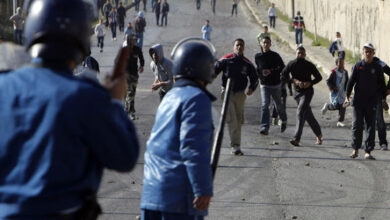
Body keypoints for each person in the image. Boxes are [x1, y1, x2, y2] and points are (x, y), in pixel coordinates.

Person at [0, 0, 139, 219]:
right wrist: (113, 102)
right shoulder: (87, 96)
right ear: (82, 38)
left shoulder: (4, 85)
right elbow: (125, 156)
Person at [141, 41, 215, 220]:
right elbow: (193, 147)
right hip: (178, 199)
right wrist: (202, 189)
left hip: (152, 194)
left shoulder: (170, 97)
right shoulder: (197, 98)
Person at [215, 38, 259, 155]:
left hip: (240, 95)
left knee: (239, 120)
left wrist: (251, 88)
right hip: (227, 93)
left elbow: (255, 78)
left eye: (241, 45)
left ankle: (236, 144)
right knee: (232, 119)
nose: (239, 47)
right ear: (234, 47)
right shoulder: (226, 59)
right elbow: (213, 71)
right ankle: (236, 146)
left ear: (244, 48)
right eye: (237, 45)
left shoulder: (247, 63)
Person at [347, 43, 386, 160]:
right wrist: (347, 96)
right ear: (363, 53)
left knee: (370, 126)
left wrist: (383, 98)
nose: (368, 53)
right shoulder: (358, 66)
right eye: (366, 51)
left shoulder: (378, 68)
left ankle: (368, 151)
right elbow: (351, 82)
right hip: (358, 101)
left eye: (370, 51)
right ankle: (355, 149)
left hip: (371, 102)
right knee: (356, 125)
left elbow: (382, 85)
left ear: (374, 53)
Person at [281, 45, 323, 146]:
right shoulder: (292, 64)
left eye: (302, 53)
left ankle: (296, 139)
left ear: (305, 55)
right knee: (308, 115)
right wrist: (294, 80)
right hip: (297, 93)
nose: (300, 55)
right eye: (298, 53)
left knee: (300, 112)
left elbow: (319, 77)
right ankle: (319, 135)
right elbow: (283, 75)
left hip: (307, 92)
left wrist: (310, 83)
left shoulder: (309, 65)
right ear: (295, 54)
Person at [255, 36, 287, 135]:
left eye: (267, 43)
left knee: (278, 105)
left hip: (275, 85)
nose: (265, 44)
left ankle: (284, 120)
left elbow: (283, 68)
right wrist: (260, 75)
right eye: (264, 42)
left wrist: (271, 71)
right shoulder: (258, 56)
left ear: (270, 44)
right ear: (261, 44)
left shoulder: (275, 56)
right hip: (264, 85)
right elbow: (258, 69)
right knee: (265, 105)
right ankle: (264, 126)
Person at [321, 58, 349, 127]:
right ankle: (327, 106)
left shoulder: (345, 72)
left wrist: (348, 91)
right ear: (337, 64)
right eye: (340, 63)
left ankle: (340, 121)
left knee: (343, 106)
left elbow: (348, 82)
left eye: (343, 62)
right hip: (335, 93)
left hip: (342, 92)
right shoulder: (333, 72)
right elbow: (328, 81)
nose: (342, 64)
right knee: (336, 106)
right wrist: (333, 87)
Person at [123, 34, 145, 120]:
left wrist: (142, 66)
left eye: (135, 40)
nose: (135, 41)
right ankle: (131, 112)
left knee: (132, 93)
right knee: (129, 93)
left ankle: (126, 109)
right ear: (129, 40)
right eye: (133, 40)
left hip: (134, 75)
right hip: (126, 75)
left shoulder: (137, 49)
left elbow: (142, 58)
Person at [373, 56, 390, 150]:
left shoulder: (379, 63)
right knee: (367, 120)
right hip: (367, 96)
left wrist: (388, 89)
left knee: (379, 119)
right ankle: (368, 143)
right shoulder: (362, 64)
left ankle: (383, 143)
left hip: (378, 95)